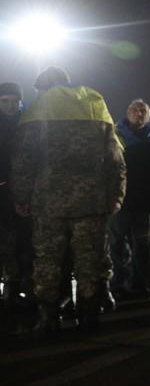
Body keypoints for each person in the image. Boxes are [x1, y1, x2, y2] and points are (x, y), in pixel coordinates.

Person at [11, 67, 126, 334]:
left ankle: (48, 319)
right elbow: (116, 160)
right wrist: (116, 196)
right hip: (91, 201)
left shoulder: (38, 108)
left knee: (48, 261)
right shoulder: (95, 104)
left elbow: (24, 161)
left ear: (43, 87)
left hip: (48, 202)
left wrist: (21, 197)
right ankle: (88, 316)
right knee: (89, 260)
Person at [110, 99, 150, 298]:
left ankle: (139, 281)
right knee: (117, 242)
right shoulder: (115, 134)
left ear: (149, 115)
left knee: (142, 244)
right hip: (121, 198)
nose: (139, 113)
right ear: (127, 112)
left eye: (143, 110)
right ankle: (118, 279)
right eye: (135, 109)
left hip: (143, 200)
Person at [0, 82, 32, 320]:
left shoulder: (28, 125)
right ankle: (10, 291)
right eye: (5, 101)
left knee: (24, 246)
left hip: (25, 196)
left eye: (14, 101)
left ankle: (22, 292)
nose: (10, 106)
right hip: (3, 195)